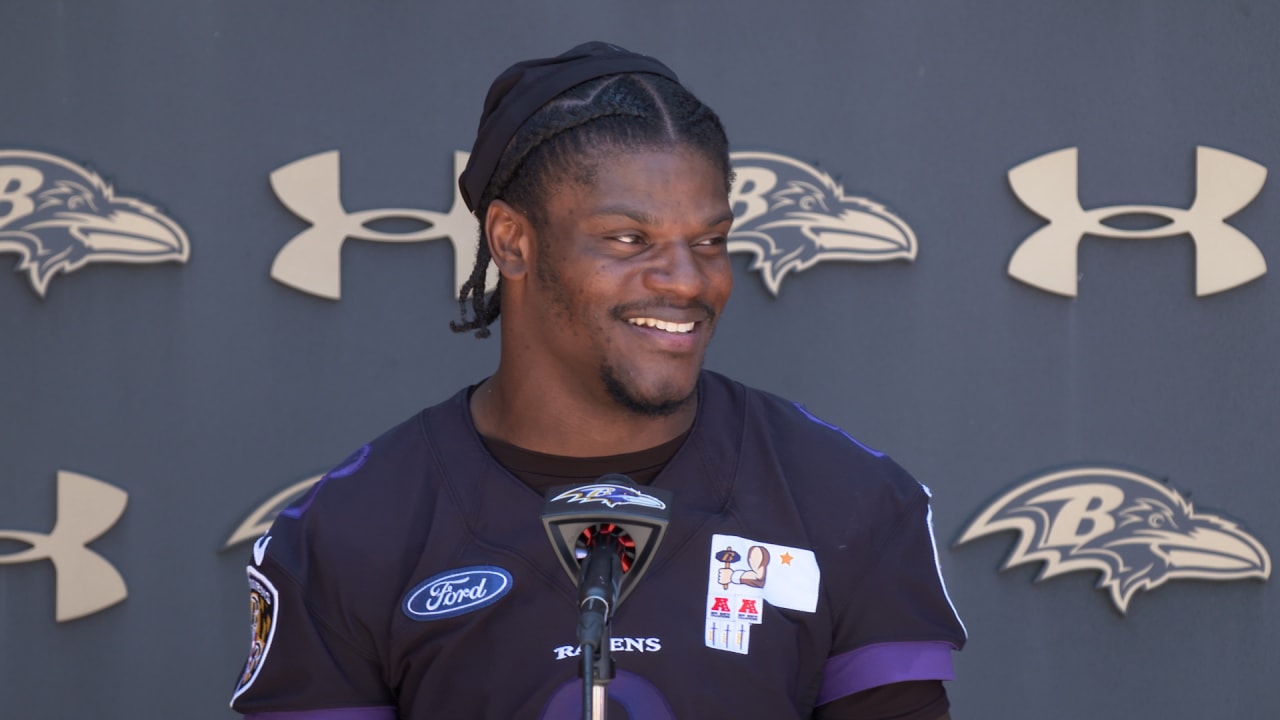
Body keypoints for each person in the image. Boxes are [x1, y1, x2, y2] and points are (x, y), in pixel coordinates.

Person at [229, 41, 965, 720]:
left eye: (709, 241)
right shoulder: (348, 532)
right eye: (628, 240)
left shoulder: (850, 503)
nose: (686, 281)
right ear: (512, 243)